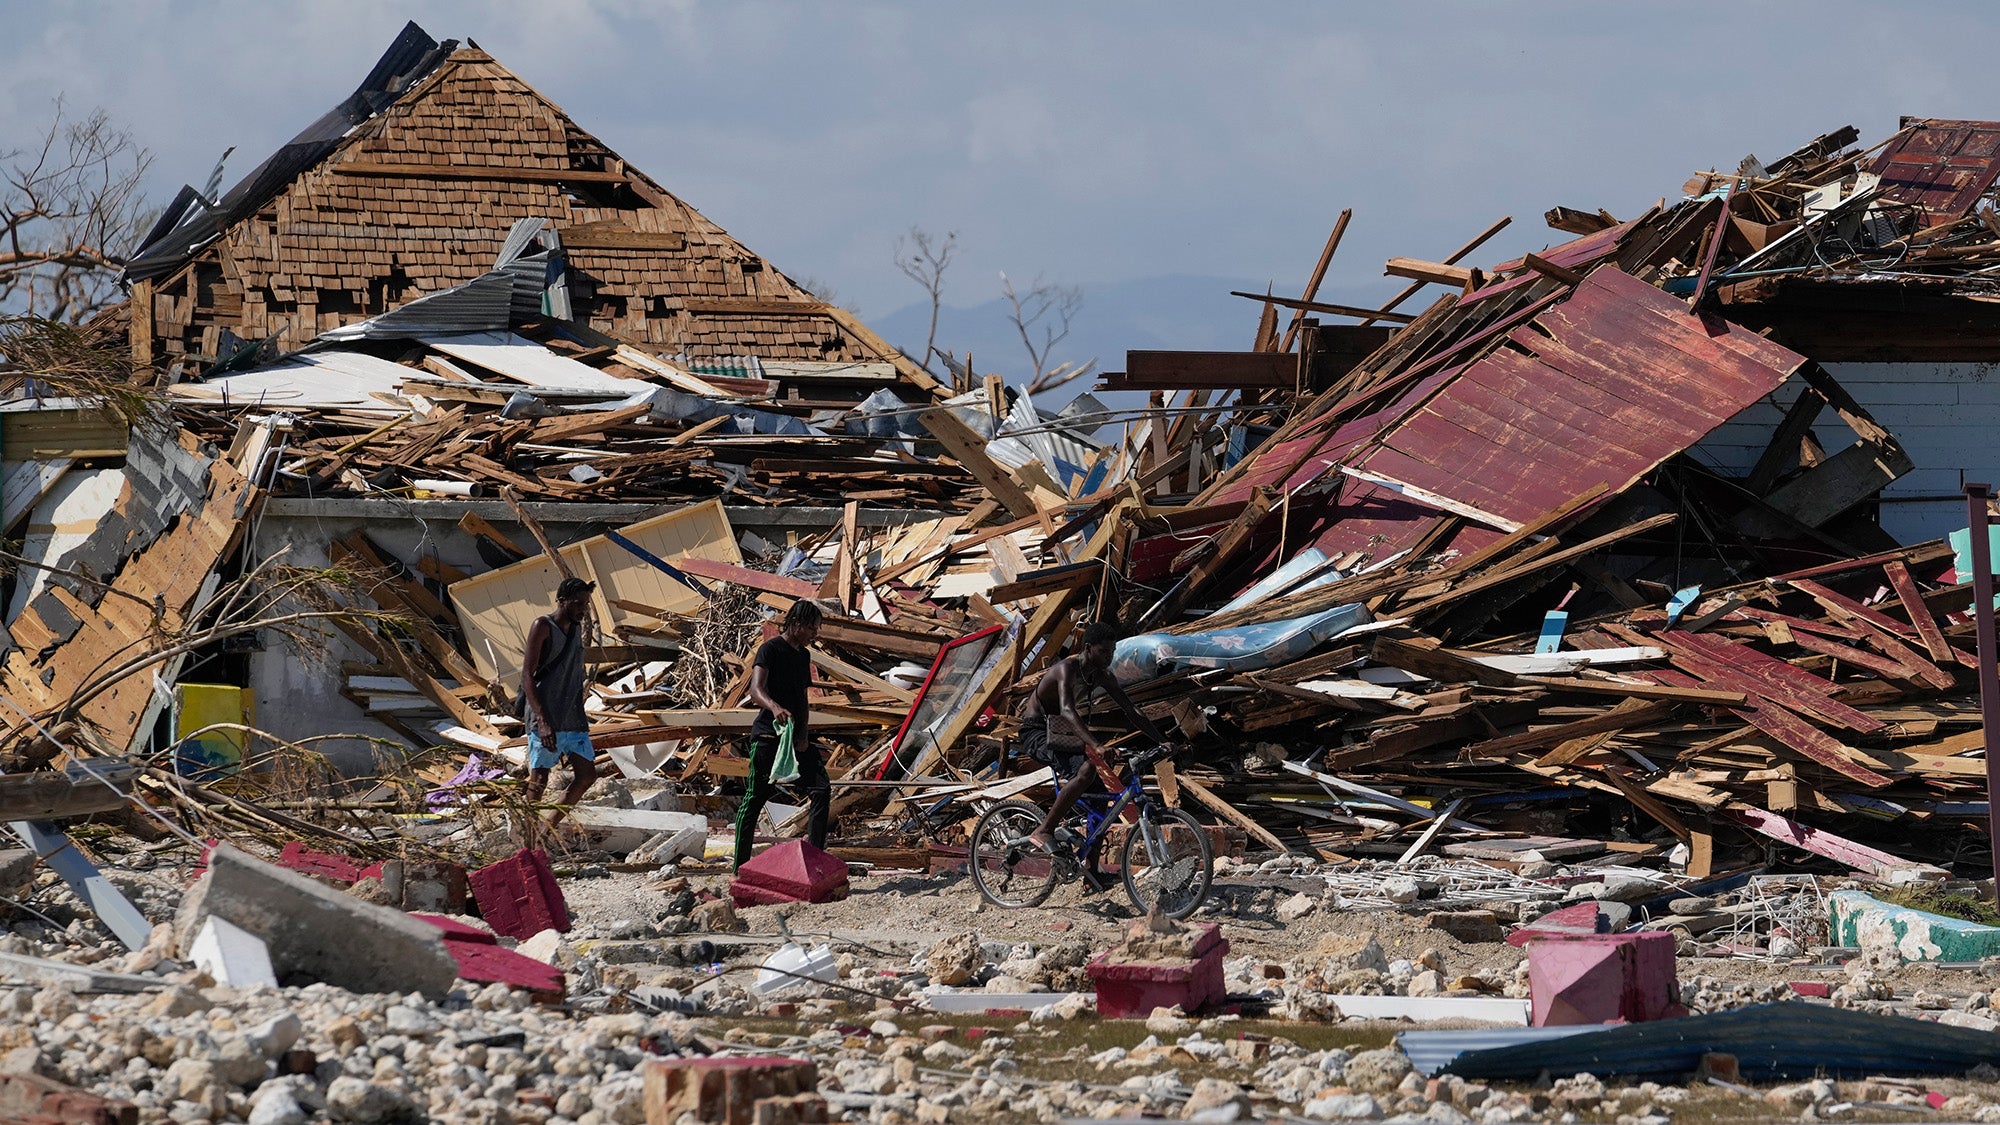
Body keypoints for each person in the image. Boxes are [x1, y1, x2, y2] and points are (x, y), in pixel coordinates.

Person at [1018, 622, 1174, 851]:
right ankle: (1044, 829)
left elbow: (1132, 711)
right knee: (1086, 769)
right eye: (1103, 652)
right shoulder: (1066, 669)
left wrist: (1161, 741)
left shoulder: (1102, 676)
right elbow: (1067, 709)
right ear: (1088, 648)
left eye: (1111, 652)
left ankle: (1091, 871)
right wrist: (1096, 745)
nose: (1108, 657)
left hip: (1061, 732)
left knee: (1100, 800)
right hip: (1037, 731)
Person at [734, 599, 831, 869]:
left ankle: (814, 862)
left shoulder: (803, 655)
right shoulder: (770, 649)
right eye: (812, 628)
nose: (815, 634)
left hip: (794, 739)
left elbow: (802, 698)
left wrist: (803, 736)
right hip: (767, 735)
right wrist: (775, 706)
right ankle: (739, 867)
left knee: (821, 789)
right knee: (755, 797)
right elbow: (755, 690)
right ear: (797, 623)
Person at [520, 576, 599, 841]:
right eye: (577, 603)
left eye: (585, 604)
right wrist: (542, 721)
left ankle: (546, 829)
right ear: (562, 601)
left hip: (572, 715)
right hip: (547, 715)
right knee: (539, 780)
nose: (582, 609)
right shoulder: (542, 626)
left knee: (587, 775)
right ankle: (528, 841)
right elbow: (527, 674)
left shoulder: (576, 628)